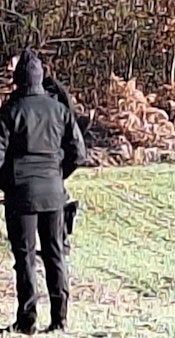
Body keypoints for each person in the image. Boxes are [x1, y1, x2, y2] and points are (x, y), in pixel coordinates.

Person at [0, 51, 86, 334]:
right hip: (53, 192)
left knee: (24, 258)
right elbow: (78, 153)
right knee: (55, 255)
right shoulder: (59, 109)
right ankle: (60, 319)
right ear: (41, 77)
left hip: (21, 195)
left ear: (18, 80)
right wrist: (58, 175)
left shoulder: (10, 111)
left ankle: (27, 321)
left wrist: (8, 183)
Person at [7, 50, 79, 256]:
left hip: (37, 173)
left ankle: (62, 240)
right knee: (52, 248)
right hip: (50, 174)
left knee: (30, 252)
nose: (8, 71)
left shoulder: (50, 94)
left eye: (12, 66)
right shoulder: (31, 98)